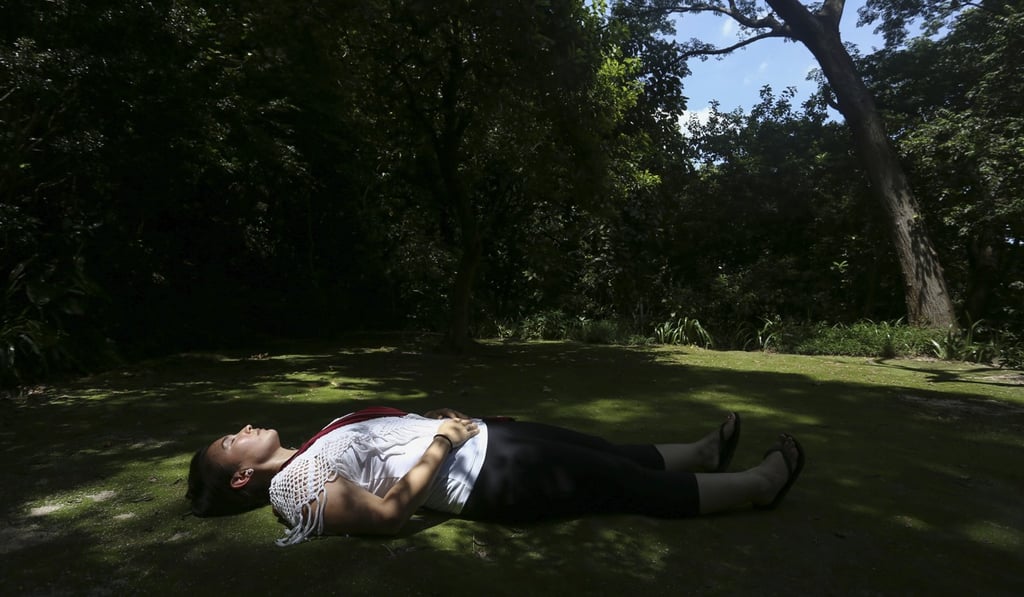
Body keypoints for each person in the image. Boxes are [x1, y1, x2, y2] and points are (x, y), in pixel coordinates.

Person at [186, 406, 804, 546]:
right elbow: (383, 517)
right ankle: (759, 487)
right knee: (619, 483)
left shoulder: (307, 451)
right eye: (230, 440)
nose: (241, 428)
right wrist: (439, 440)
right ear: (241, 477)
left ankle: (700, 454)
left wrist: (455, 426)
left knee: (603, 452)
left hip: (483, 442)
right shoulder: (293, 488)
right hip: (487, 476)